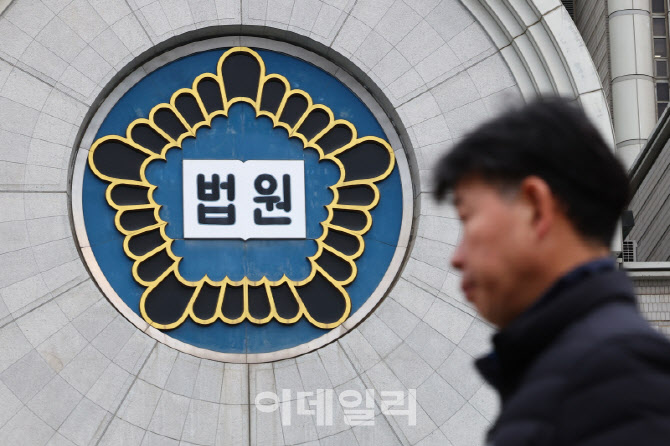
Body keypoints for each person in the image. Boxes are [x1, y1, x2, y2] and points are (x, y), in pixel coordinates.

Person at [433, 97, 670, 445]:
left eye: (467, 219)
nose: (456, 258)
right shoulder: (575, 371)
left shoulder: (617, 372)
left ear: (536, 207)